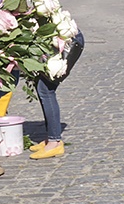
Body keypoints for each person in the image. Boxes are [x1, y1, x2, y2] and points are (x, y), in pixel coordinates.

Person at [28, 31, 84, 160]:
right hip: (59, 40)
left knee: (46, 88)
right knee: (41, 85)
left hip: (69, 42)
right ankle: (51, 138)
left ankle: (55, 142)